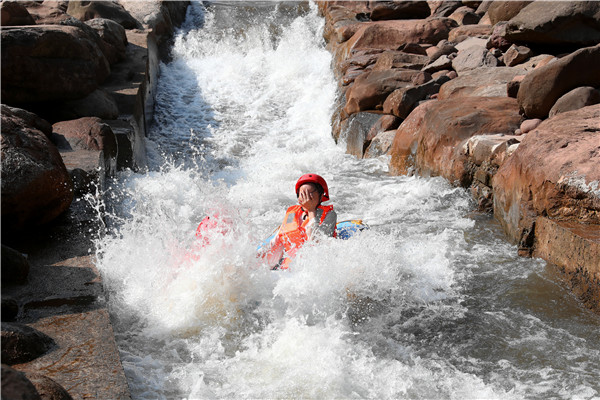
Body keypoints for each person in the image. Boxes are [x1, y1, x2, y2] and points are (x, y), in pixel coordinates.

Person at [261, 173, 337, 270]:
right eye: (302, 194)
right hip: (288, 271)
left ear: (321, 196)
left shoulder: (330, 215)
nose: (306, 198)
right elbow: (277, 242)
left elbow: (318, 247)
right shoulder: (292, 213)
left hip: (311, 270)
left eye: (310, 194)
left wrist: (311, 211)